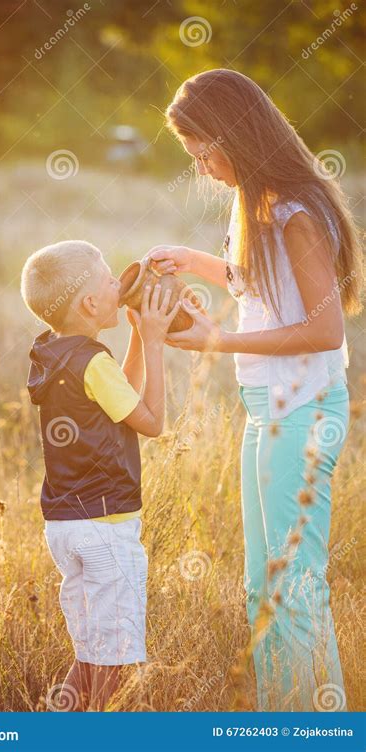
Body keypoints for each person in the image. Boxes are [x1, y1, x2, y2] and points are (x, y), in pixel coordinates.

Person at [146, 69, 362, 711]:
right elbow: (261, 286)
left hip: (301, 412)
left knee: (292, 586)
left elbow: (322, 329)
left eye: (205, 152)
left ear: (236, 138)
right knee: (261, 588)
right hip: (267, 410)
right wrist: (192, 260)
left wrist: (220, 343)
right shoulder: (264, 209)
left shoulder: (296, 215)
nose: (205, 168)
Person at [20, 240, 180, 711]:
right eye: (110, 279)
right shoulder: (92, 361)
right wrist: (153, 340)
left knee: (91, 655)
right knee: (113, 663)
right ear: (91, 303)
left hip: (67, 526)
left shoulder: (57, 353)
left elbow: (120, 400)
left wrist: (133, 335)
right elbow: (151, 422)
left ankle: (61, 726)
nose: (118, 283)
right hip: (106, 530)